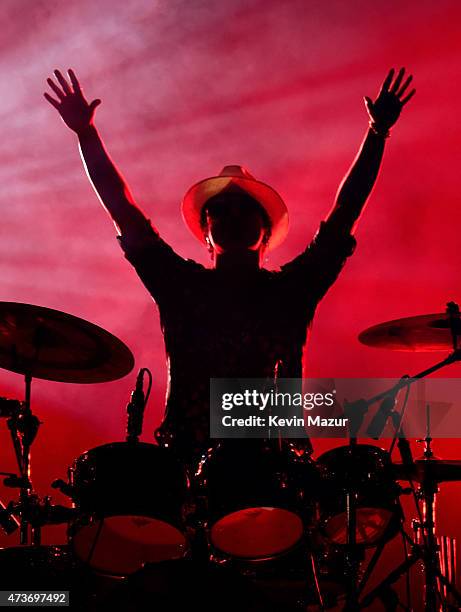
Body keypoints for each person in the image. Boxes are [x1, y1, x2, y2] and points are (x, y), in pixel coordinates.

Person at [44, 67, 415, 465]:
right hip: (188, 466)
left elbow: (345, 213)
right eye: (219, 210)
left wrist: (377, 134)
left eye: (245, 209)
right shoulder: (179, 285)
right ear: (205, 232)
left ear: (266, 231)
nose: (232, 215)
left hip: (278, 470)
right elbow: (123, 211)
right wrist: (86, 134)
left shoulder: (291, 291)